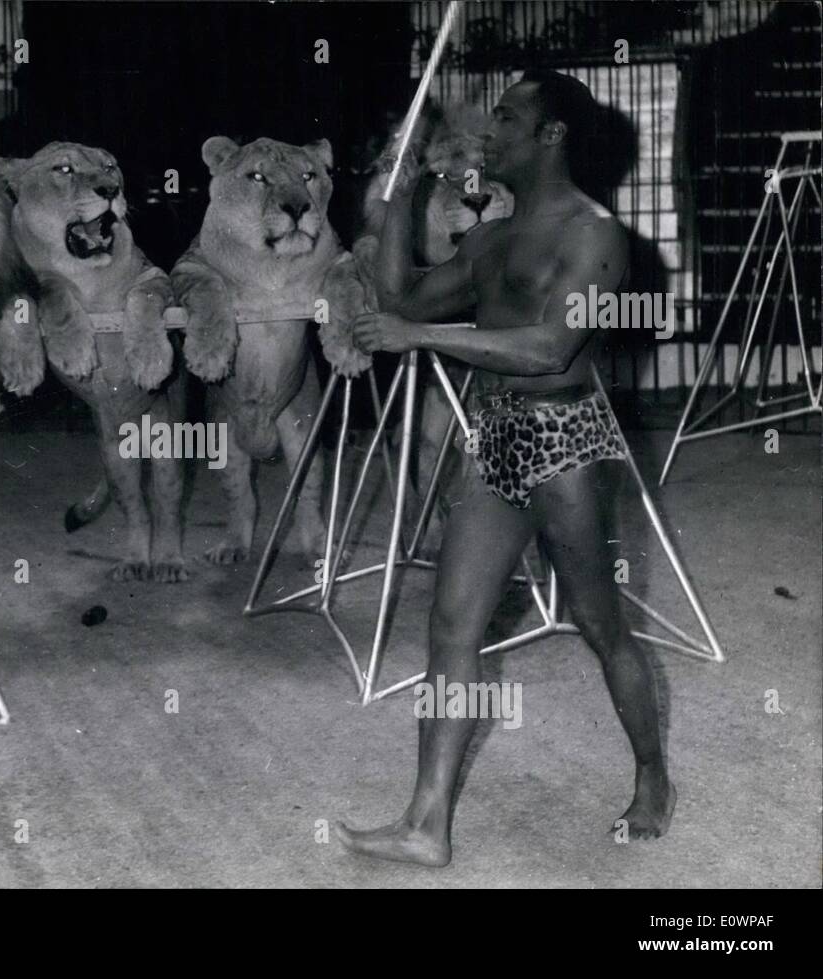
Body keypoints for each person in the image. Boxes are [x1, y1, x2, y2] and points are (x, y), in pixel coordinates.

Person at [337, 69, 675, 867]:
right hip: (493, 437)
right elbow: (403, 298)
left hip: (565, 443)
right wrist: (404, 194)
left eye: (509, 118)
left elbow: (549, 348)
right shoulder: (492, 237)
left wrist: (414, 339)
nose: (491, 132)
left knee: (599, 624)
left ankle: (653, 774)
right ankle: (426, 822)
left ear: (552, 135)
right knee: (452, 623)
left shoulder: (595, 235)